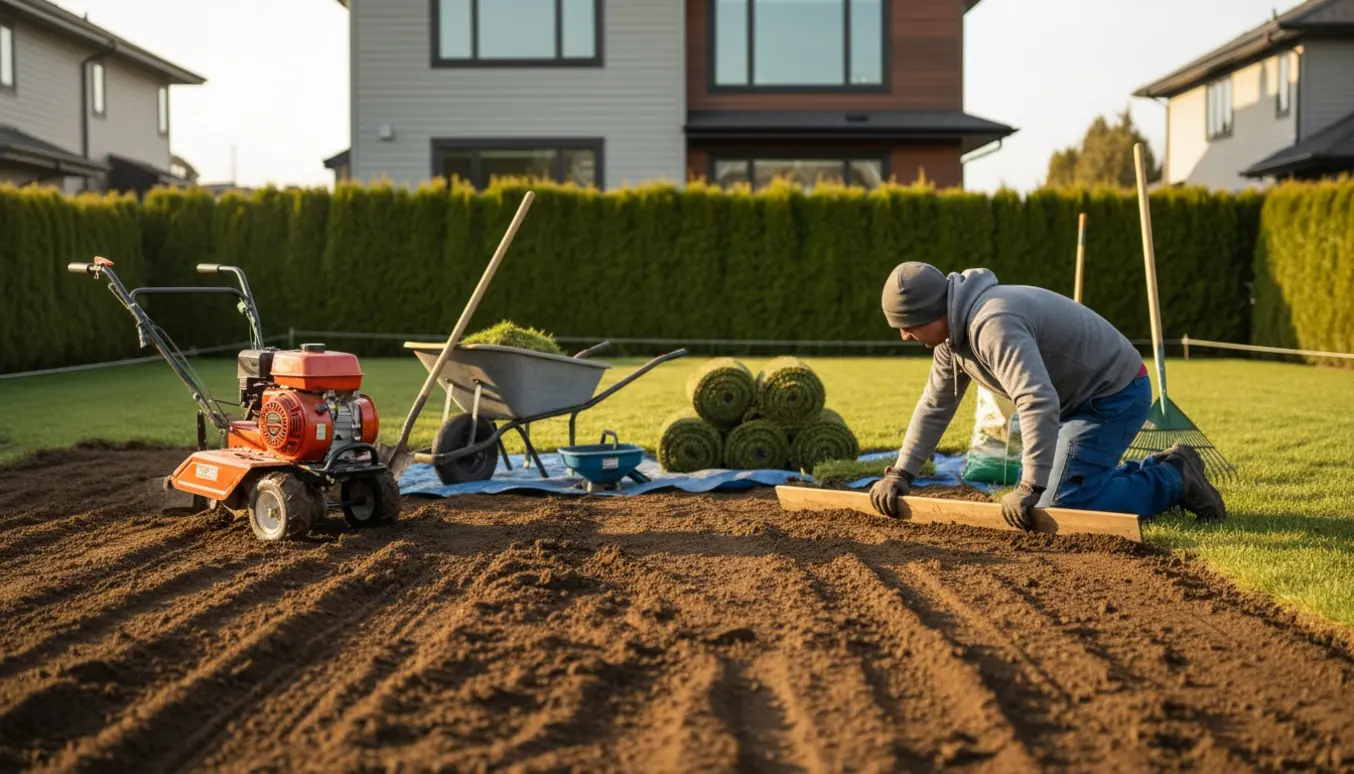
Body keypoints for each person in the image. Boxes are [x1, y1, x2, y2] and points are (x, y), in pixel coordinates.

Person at [868, 261, 1226, 529]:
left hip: (1113, 395)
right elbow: (935, 406)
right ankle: (1162, 468)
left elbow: (1036, 399)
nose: (904, 336)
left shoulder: (992, 324)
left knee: (1062, 508)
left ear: (933, 311)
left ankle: (1175, 478)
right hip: (1076, 402)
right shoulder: (952, 340)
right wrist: (901, 474)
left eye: (908, 326)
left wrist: (1029, 484)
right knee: (1062, 493)